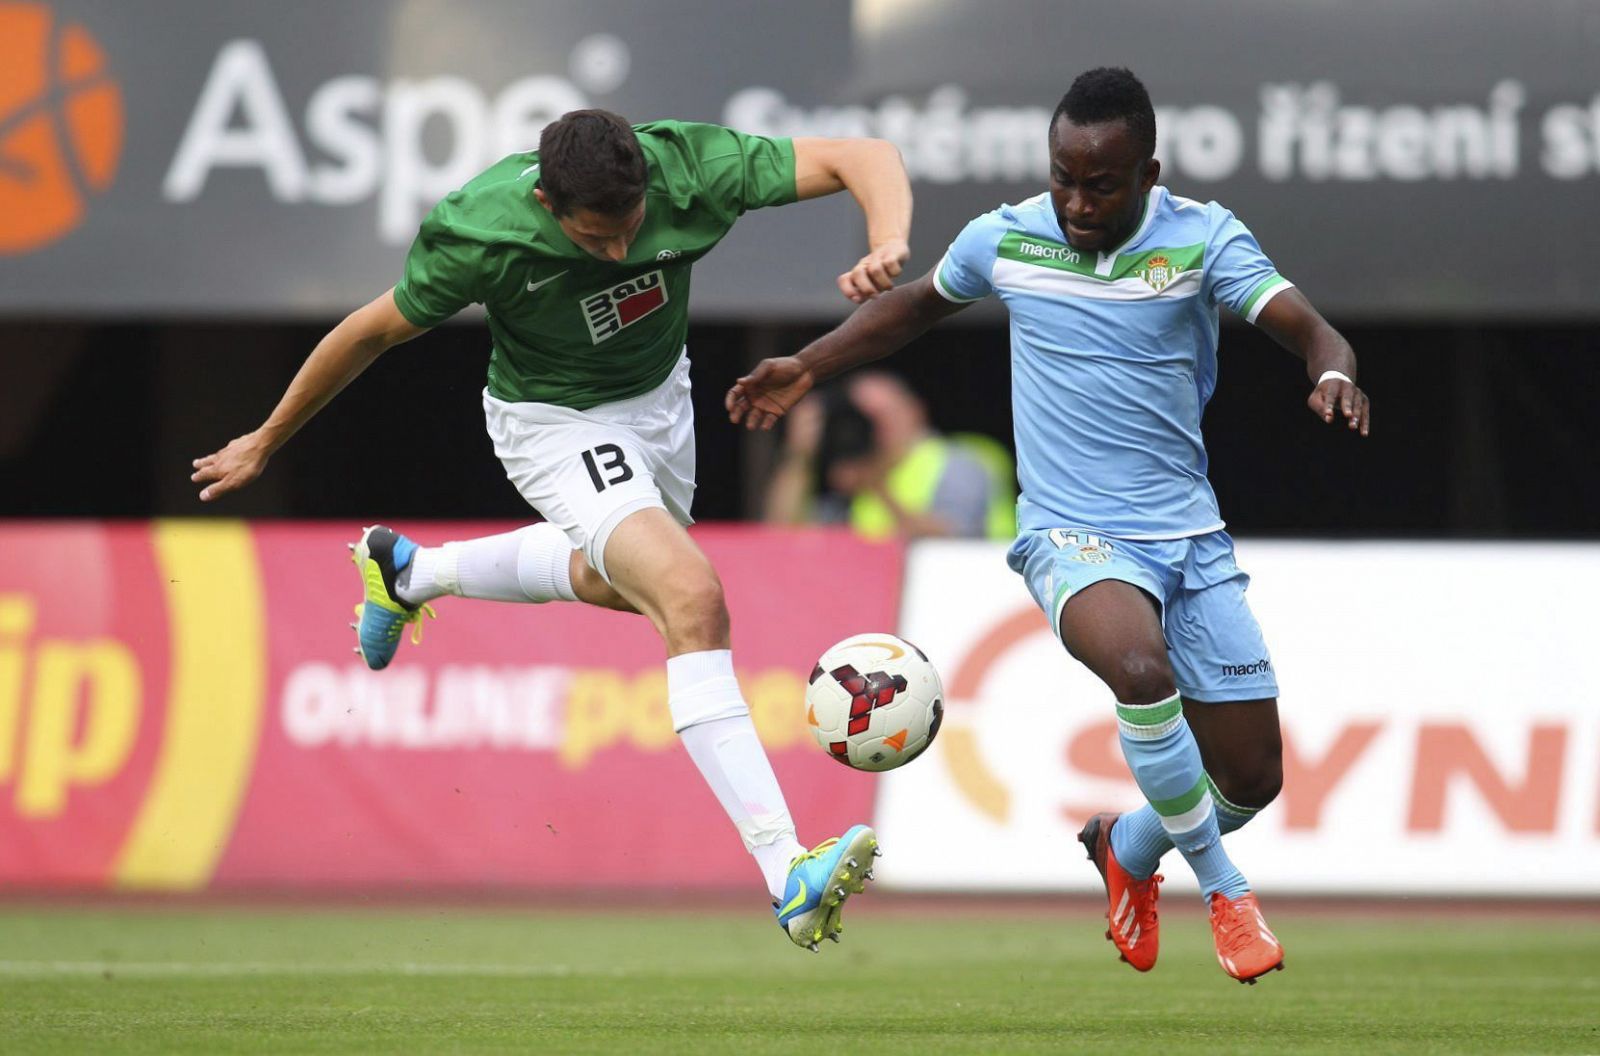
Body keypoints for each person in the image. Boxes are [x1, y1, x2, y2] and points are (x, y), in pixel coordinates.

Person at [190, 109, 913, 952]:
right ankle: (786, 868)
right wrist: (266, 439)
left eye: (629, 231)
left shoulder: (687, 168)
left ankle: (412, 573)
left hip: (659, 401)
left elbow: (864, 155)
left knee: (624, 584)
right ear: (544, 200)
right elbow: (370, 332)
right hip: (552, 421)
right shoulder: (483, 228)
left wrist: (885, 241)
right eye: (593, 240)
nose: (616, 253)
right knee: (690, 596)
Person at [727, 68, 1370, 983]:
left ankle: (1130, 848)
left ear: (1149, 171)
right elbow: (915, 306)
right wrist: (809, 364)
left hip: (1189, 539)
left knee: (1252, 776)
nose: (1074, 200)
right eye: (1063, 175)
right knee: (1140, 669)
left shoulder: (1203, 238)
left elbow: (1311, 330)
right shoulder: (1008, 234)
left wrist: (1333, 370)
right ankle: (1226, 893)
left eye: (1100, 183)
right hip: (1071, 536)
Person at [764, 371, 1015, 540]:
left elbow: (952, 541)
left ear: (915, 411)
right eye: (865, 419)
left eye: (883, 415)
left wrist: (877, 486)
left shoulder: (959, 461)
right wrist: (799, 454)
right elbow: (782, 534)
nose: (876, 429)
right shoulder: (854, 471)